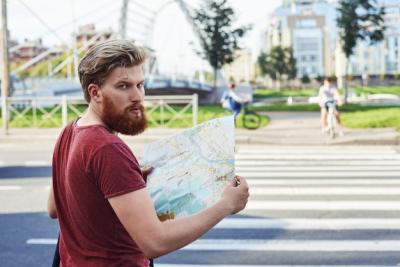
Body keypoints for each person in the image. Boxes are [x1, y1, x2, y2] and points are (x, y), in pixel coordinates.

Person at [47, 39, 249, 267]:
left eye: (140, 85)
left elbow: (55, 208)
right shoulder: (107, 148)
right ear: (95, 92)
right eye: (124, 86)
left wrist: (125, 183)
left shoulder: (70, 131)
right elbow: (155, 243)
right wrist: (225, 206)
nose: (137, 96)